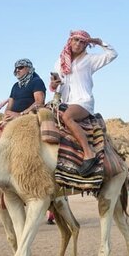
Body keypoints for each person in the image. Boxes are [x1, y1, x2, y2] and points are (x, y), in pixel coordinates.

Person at [49, 30, 117, 176]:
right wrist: (54, 85)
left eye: (82, 42)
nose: (78, 44)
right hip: (65, 101)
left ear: (86, 45)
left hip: (83, 101)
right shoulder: (60, 62)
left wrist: (99, 42)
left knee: (67, 117)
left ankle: (89, 153)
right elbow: (56, 86)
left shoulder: (89, 60)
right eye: (76, 40)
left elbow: (112, 54)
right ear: (70, 41)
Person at [4, 58, 46, 122]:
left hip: (30, 117)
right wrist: (9, 114)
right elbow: (8, 108)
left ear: (29, 68)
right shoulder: (15, 86)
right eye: (16, 68)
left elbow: (39, 103)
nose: (17, 70)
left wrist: (21, 114)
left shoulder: (36, 81)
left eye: (20, 67)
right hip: (13, 119)